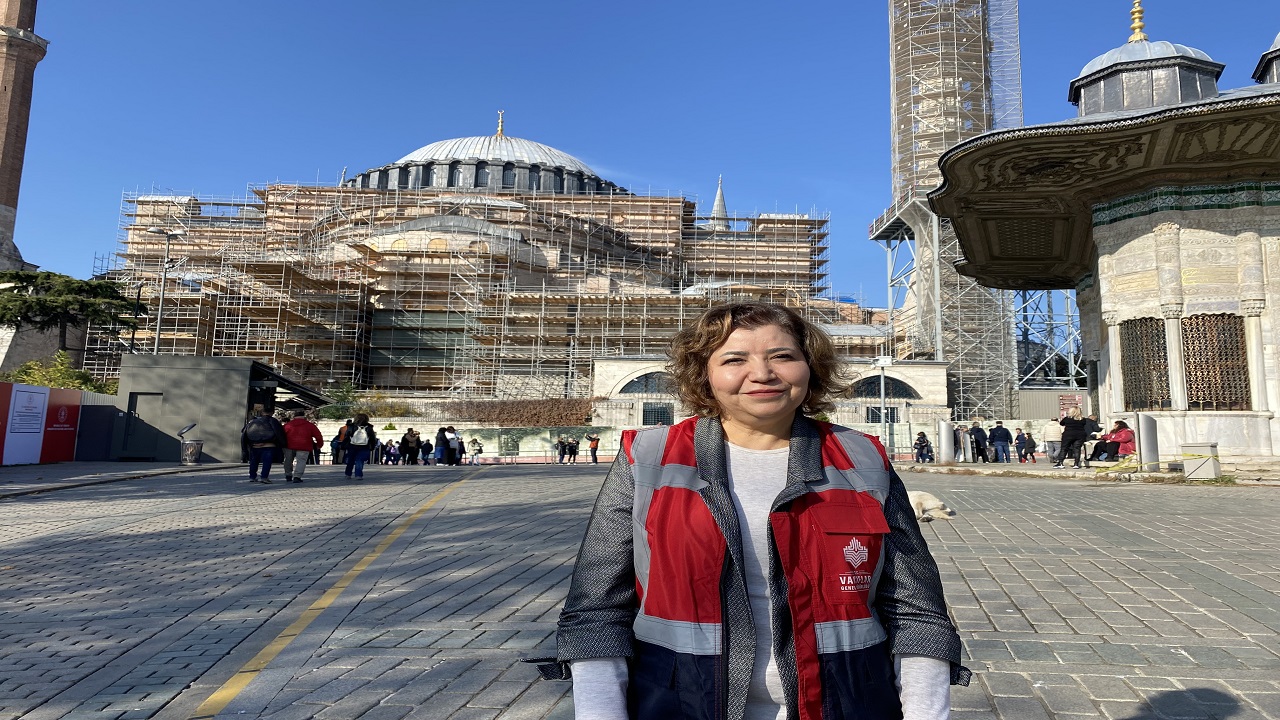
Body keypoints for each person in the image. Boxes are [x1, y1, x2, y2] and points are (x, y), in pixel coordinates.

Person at [551, 302, 968, 720]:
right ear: (704, 374)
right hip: (680, 705)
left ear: (810, 366)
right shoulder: (647, 458)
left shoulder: (863, 459)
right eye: (734, 359)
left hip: (846, 704)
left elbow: (916, 610)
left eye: (782, 356)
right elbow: (596, 611)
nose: (762, 373)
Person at [241, 407, 286, 484]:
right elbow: (279, 433)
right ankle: (264, 477)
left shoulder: (252, 422)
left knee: (254, 462)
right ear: (272, 413)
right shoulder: (273, 421)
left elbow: (244, 434)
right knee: (267, 462)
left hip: (254, 445)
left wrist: (247, 446)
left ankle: (252, 477)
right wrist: (283, 444)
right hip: (269, 445)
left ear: (262, 413)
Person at [282, 410, 323, 483]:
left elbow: (281, 435)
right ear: (304, 416)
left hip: (289, 446)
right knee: (301, 461)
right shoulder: (310, 425)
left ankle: (288, 475)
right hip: (304, 446)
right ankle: (297, 476)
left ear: (294, 416)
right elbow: (318, 436)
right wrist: (319, 445)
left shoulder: (288, 425)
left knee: (288, 460)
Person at [343, 413, 378, 479]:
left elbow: (347, 436)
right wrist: (372, 446)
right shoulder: (369, 427)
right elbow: (372, 438)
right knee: (360, 460)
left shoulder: (352, 426)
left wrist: (344, 445)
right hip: (364, 446)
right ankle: (358, 475)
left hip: (352, 445)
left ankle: (348, 474)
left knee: (350, 460)